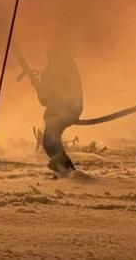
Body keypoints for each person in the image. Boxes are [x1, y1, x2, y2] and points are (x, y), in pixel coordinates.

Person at [27, 37, 84, 175]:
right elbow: (47, 95)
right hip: (59, 109)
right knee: (50, 141)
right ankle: (64, 169)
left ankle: (67, 171)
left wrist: (42, 88)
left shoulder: (63, 66)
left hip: (65, 109)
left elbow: (56, 93)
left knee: (50, 140)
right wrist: (40, 87)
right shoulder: (58, 65)